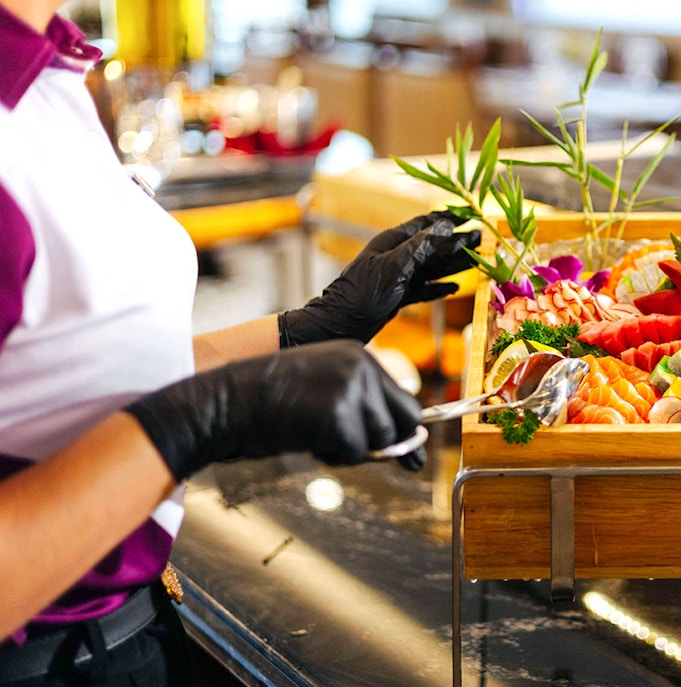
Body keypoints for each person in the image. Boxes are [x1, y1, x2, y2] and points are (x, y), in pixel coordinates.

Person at [0, 1, 480, 684]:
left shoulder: (50, 73)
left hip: (135, 625)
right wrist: (205, 417)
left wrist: (303, 331)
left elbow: (73, 379)